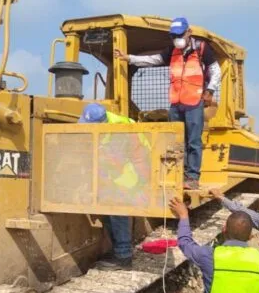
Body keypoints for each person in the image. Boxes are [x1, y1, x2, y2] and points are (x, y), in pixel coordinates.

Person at [114, 17, 221, 190]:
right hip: (176, 102)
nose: (176, 38)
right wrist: (129, 58)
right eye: (173, 35)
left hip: (194, 101)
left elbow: (216, 70)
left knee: (193, 141)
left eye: (179, 35)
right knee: (176, 140)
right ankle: (178, 174)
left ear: (188, 32)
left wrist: (210, 91)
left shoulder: (202, 49)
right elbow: (154, 59)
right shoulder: (172, 50)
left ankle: (192, 177)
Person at [79, 103, 136, 270]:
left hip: (126, 174)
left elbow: (114, 161)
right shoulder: (104, 121)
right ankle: (117, 251)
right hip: (115, 172)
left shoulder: (120, 130)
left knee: (117, 211)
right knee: (109, 211)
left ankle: (124, 257)